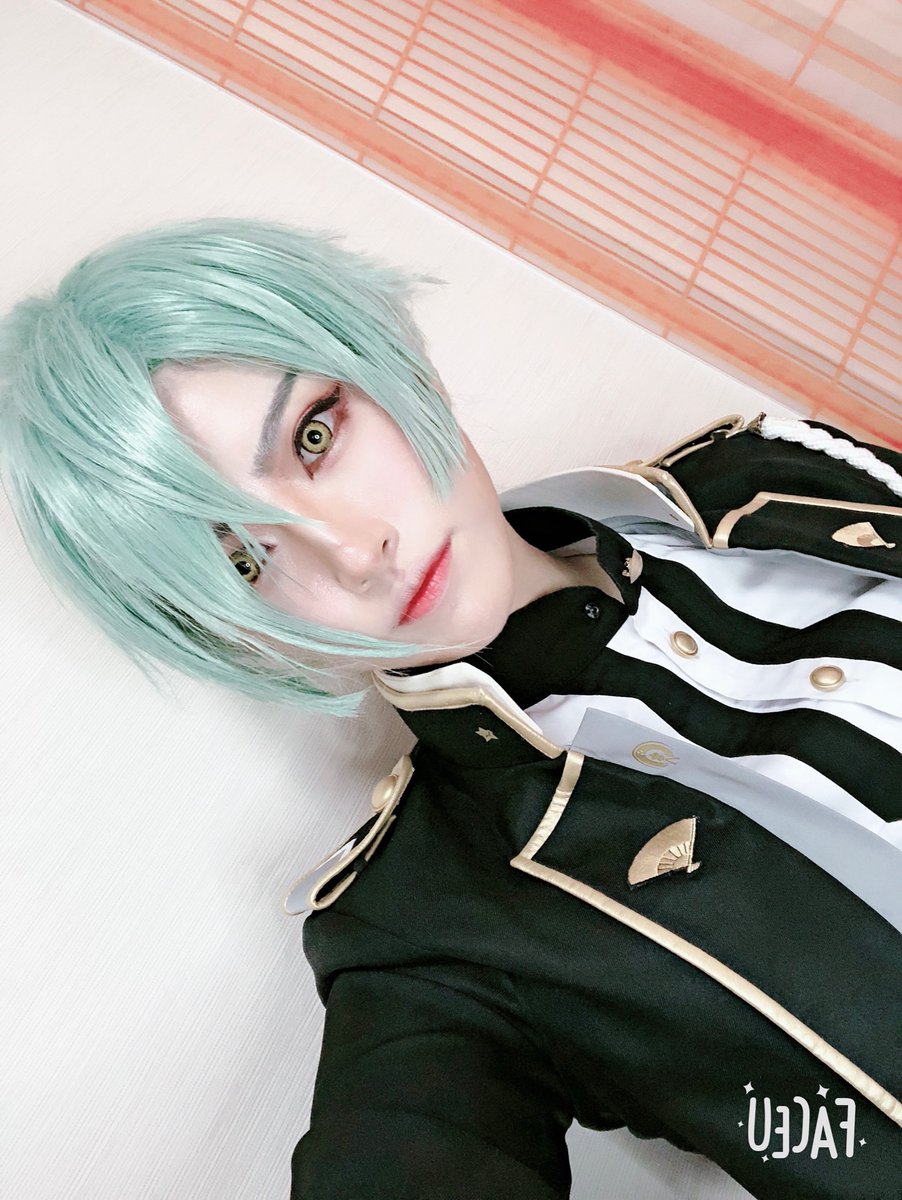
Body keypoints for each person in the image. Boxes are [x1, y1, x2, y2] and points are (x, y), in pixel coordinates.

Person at [1, 218, 900, 1200]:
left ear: (390, 360)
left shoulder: (760, 470)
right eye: (245, 561)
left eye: (313, 438)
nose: (355, 553)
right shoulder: (427, 926)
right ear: (227, 637)